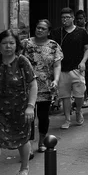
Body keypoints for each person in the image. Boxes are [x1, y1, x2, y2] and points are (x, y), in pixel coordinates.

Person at [0, 30, 38, 175]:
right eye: (4, 43)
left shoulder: (21, 61)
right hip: (1, 109)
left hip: (20, 108)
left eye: (11, 43)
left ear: (16, 45)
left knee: (22, 139)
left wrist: (30, 106)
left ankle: (25, 166)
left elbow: (33, 84)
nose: (8, 46)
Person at [21, 20, 63, 153]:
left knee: (43, 116)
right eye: (38, 28)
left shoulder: (53, 46)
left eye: (43, 29)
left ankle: (42, 141)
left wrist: (56, 80)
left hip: (46, 86)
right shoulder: (25, 44)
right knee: (29, 116)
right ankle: (29, 145)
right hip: (27, 86)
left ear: (48, 32)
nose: (39, 30)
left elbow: (57, 65)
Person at [52, 7, 88, 129]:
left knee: (79, 95)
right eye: (62, 18)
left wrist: (83, 62)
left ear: (73, 18)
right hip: (62, 69)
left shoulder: (81, 32)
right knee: (65, 96)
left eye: (67, 17)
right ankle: (67, 119)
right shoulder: (57, 32)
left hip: (77, 68)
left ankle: (78, 111)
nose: (64, 20)